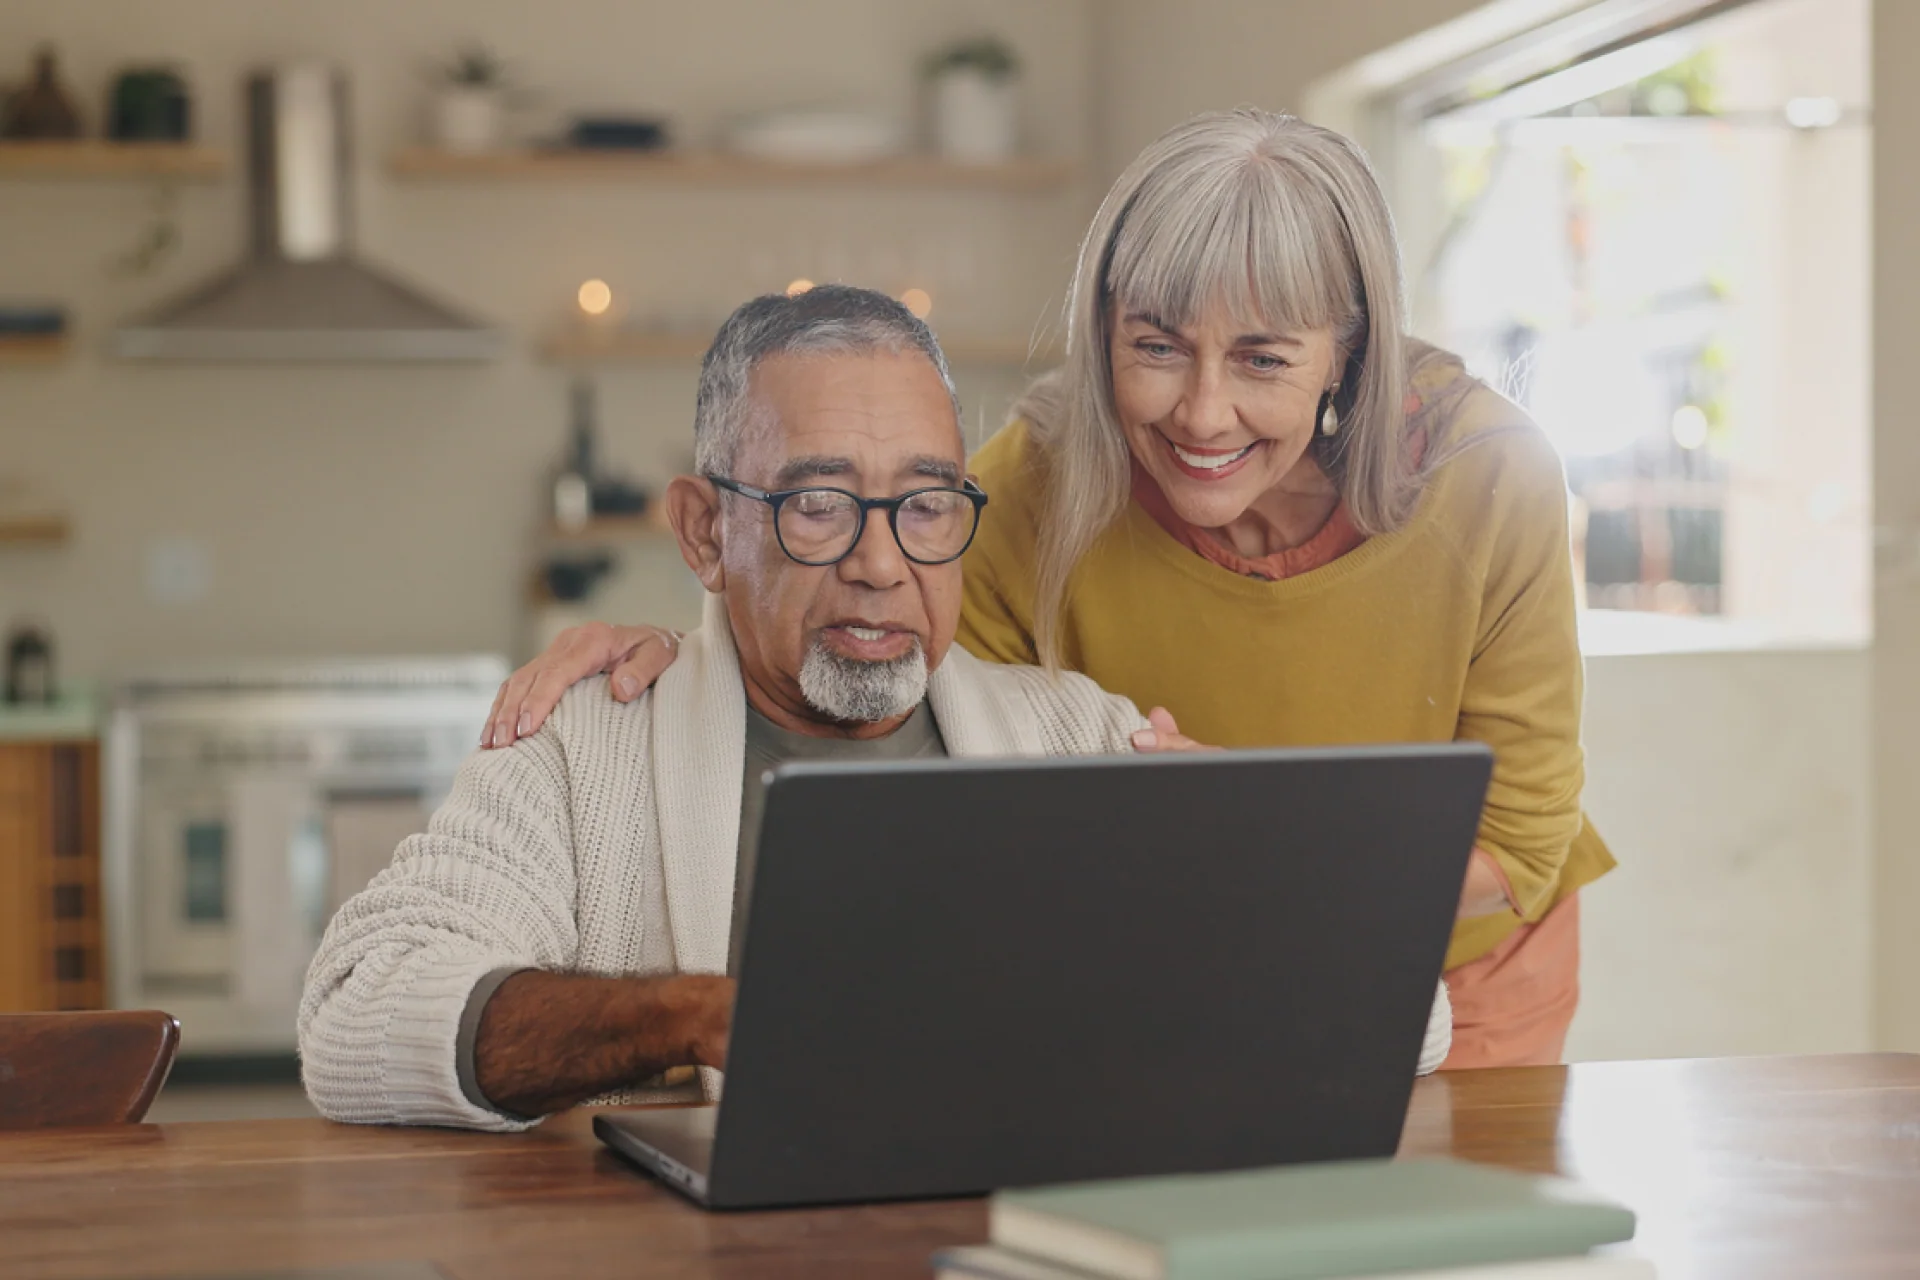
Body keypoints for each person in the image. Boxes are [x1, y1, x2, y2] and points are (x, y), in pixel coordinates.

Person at [480, 110, 1616, 1071]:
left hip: (1464, 963)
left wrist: (1268, 834)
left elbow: (1518, 840)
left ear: (1349, 356)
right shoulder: (1028, 487)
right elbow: (873, 657)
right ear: (1102, 329)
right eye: (1156, 347)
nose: (1202, 414)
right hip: (1198, 950)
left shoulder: (1491, 479)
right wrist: (698, 641)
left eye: (1264, 359)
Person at [298, 284, 1456, 1131]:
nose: (881, 563)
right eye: (816, 506)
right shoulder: (585, 742)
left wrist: (1255, 871)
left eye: (925, 504)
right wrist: (697, 1015)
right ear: (707, 530)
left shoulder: (1079, 738)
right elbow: (354, 1017)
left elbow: (1421, 1021)